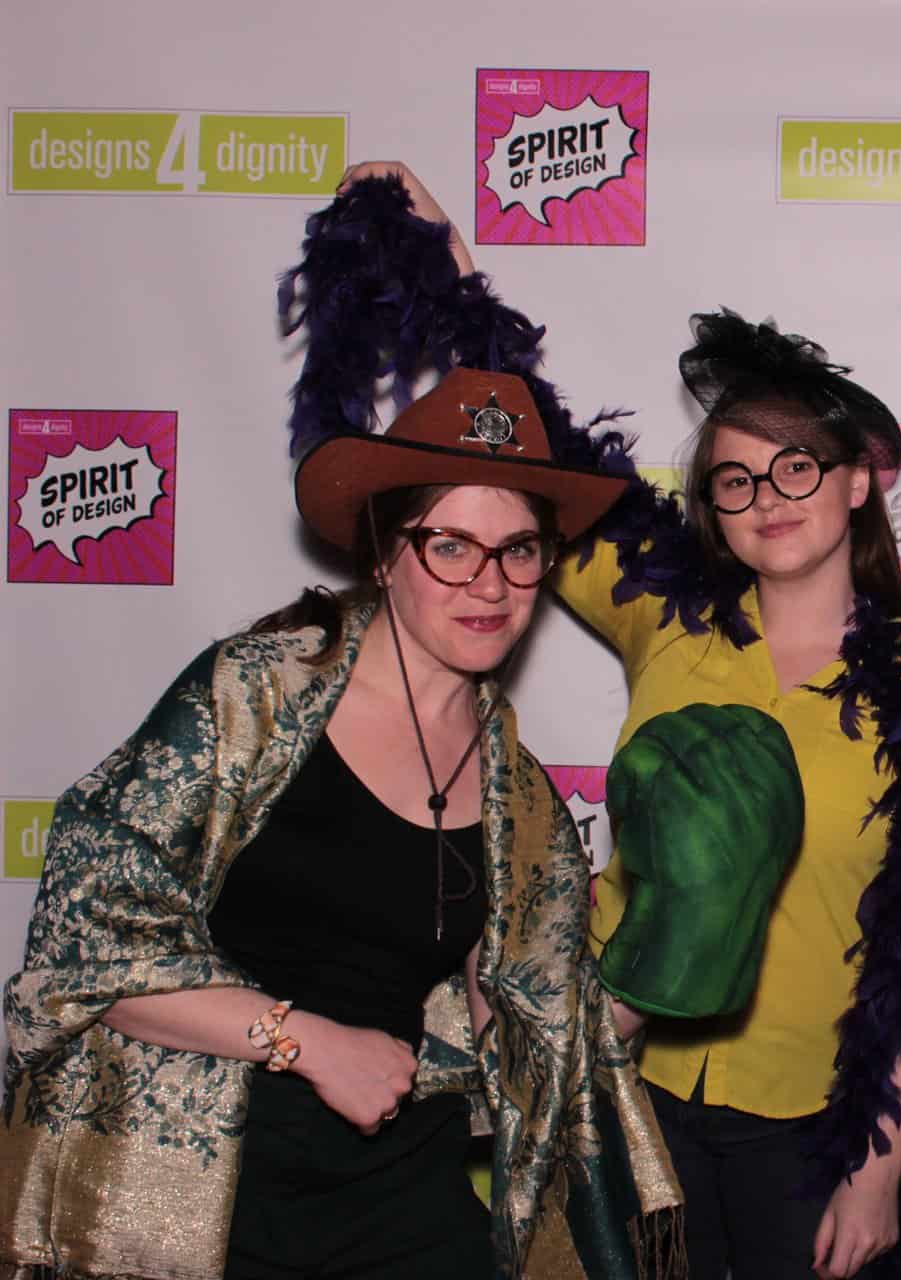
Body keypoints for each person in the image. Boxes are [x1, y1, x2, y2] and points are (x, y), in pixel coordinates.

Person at [284, 163, 901, 1279]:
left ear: (856, 485)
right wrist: (444, 257)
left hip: (812, 1128)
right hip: (624, 1088)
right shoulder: (667, 614)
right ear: (713, 510)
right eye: (735, 480)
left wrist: (878, 1168)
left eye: (797, 467)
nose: (767, 498)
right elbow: (531, 443)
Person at [0, 362, 689, 1279]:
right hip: (189, 1191)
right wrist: (305, 1041)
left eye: (519, 550)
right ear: (384, 554)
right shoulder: (252, 695)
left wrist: (680, 947)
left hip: (398, 1195)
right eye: (452, 546)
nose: (491, 585)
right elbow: (84, 941)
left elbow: (531, 1041)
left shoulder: (522, 802)